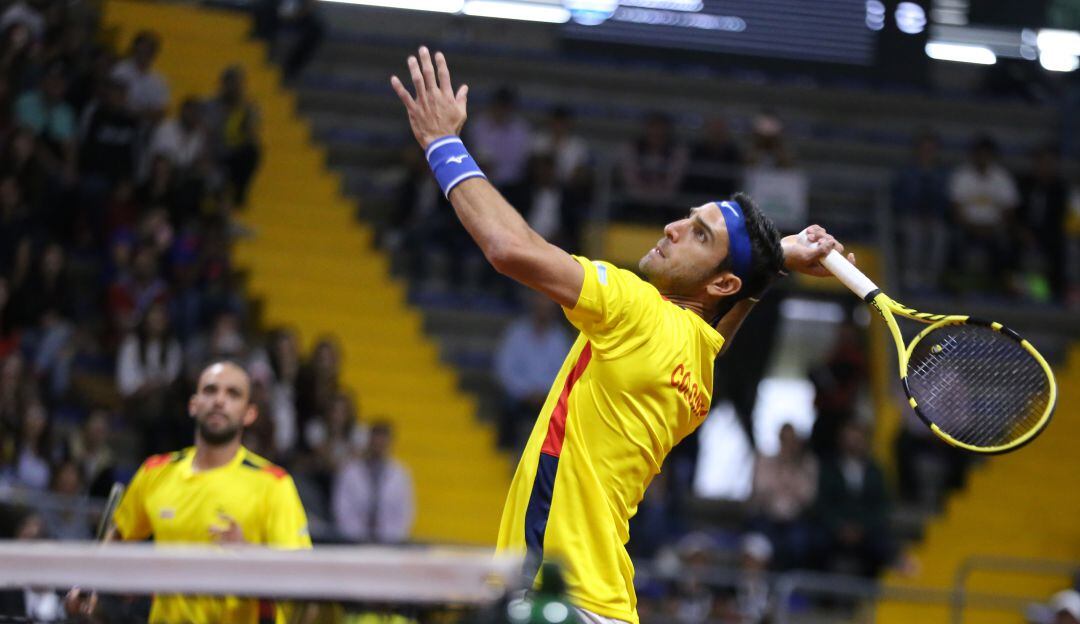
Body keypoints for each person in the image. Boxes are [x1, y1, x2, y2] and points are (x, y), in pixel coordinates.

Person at [390, 47, 849, 624]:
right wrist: (773, 260)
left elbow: (511, 249)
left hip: (556, 596)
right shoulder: (698, 370)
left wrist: (441, 143)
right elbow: (721, 317)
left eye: (698, 236)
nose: (673, 227)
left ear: (725, 279)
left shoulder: (634, 309)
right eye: (689, 217)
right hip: (608, 605)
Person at [65, 360, 312, 623]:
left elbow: (302, 579)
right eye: (210, 390)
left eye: (233, 394)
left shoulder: (273, 484)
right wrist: (89, 584)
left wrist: (250, 554)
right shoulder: (156, 472)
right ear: (193, 405)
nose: (219, 400)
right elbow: (118, 538)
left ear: (249, 413)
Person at [494, 292, 572, 450]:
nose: (543, 310)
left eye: (547, 306)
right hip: (520, 397)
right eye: (540, 305)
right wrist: (526, 392)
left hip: (547, 399)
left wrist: (544, 394)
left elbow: (564, 374)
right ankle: (504, 453)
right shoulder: (516, 333)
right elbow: (505, 369)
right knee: (507, 407)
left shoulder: (560, 338)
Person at [331, 420, 414, 544]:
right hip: (354, 541)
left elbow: (405, 511)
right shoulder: (350, 471)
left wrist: (392, 539)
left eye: (383, 442)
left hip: (390, 542)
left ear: (390, 443)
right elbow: (342, 508)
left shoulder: (400, 474)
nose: (379, 446)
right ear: (368, 441)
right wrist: (355, 537)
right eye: (376, 441)